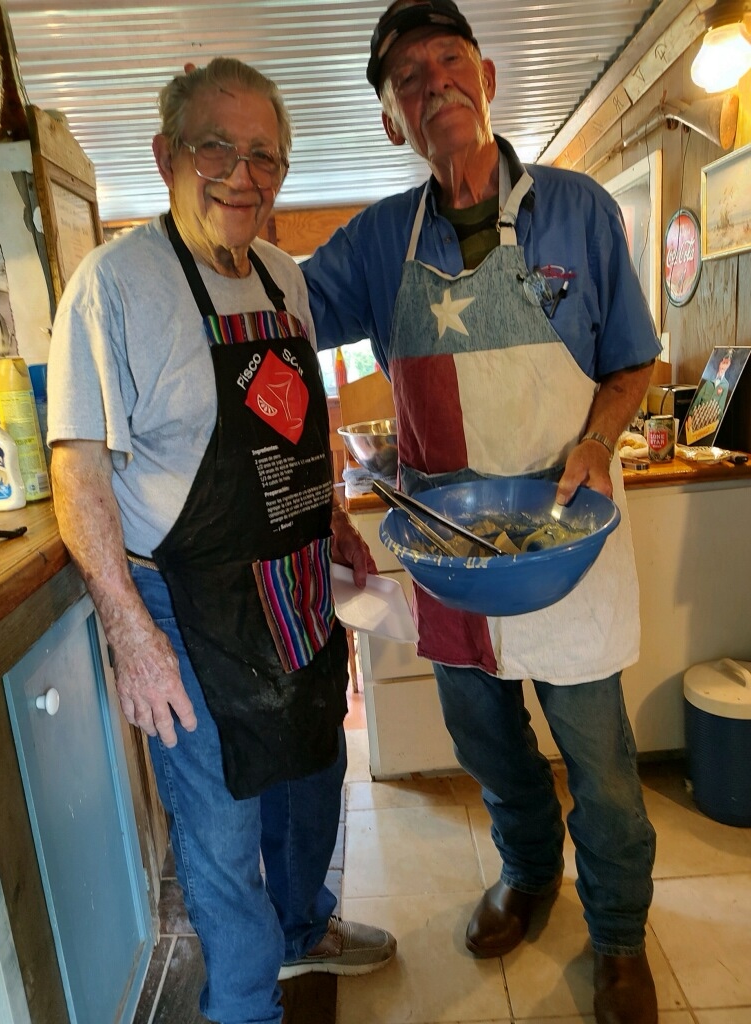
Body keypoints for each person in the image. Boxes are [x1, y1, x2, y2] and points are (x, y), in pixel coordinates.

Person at [302, 3, 660, 1022]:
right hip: (451, 556)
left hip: (568, 545)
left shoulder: (580, 211)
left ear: (488, 75)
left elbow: (633, 361)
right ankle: (528, 873)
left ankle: (621, 934)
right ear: (390, 120)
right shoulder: (378, 242)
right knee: (491, 750)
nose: (435, 85)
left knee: (603, 769)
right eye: (407, 79)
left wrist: (598, 440)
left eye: (449, 60)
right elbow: (275, 316)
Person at [47, 58, 395, 1024]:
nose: (244, 176)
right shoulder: (113, 286)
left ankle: (303, 928)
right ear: (167, 155)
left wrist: (332, 519)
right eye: (217, 149)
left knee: (314, 767)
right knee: (223, 824)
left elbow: (297, 422)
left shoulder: (284, 275)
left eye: (265, 157)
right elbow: (79, 472)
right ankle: (245, 1004)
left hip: (295, 582)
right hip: (187, 602)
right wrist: (130, 631)